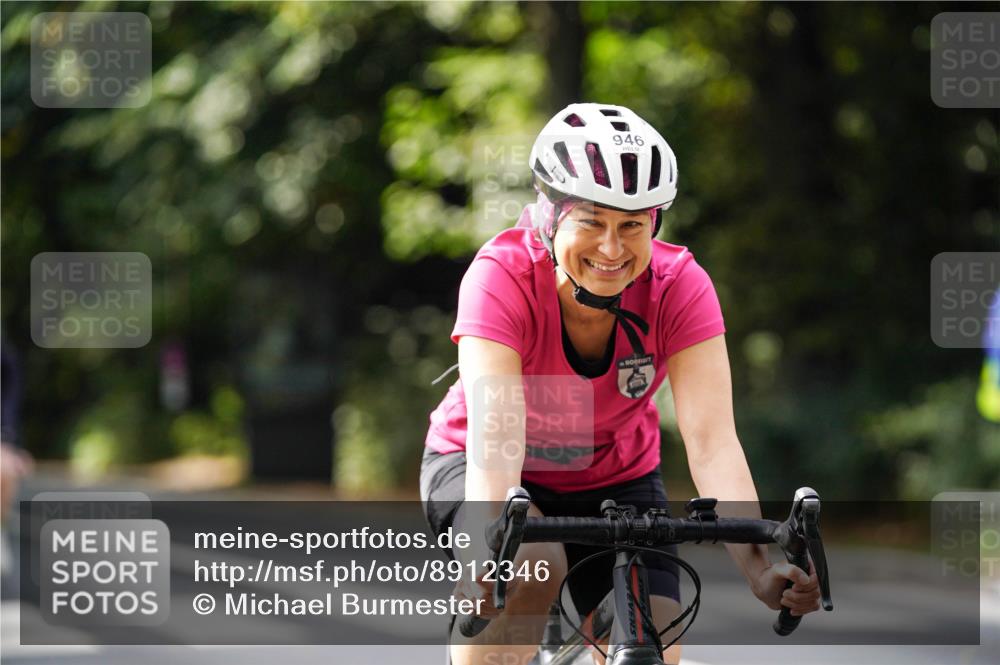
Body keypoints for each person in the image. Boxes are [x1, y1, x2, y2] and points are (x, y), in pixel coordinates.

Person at [420, 103, 821, 665]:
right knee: (531, 571)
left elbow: (712, 442)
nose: (612, 249)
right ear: (550, 215)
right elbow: (498, 436)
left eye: (631, 226)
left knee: (654, 640)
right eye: (591, 221)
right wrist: (487, 551)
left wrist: (760, 567)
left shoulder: (680, 285)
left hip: (615, 473)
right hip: (480, 460)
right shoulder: (501, 275)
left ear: (653, 224)